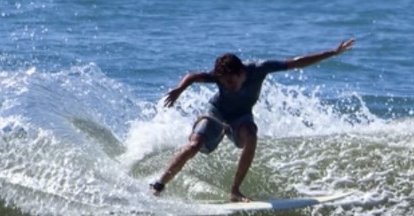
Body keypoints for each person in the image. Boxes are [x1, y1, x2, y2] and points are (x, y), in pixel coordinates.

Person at [150, 39, 355, 202]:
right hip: (216, 112)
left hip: (241, 116)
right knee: (194, 145)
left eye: (231, 82)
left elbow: (296, 62)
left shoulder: (259, 69)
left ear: (241, 73)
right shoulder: (218, 77)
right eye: (223, 83)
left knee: (251, 135)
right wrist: (179, 89)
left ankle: (235, 191)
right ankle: (159, 185)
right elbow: (192, 76)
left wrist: (332, 53)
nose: (228, 86)